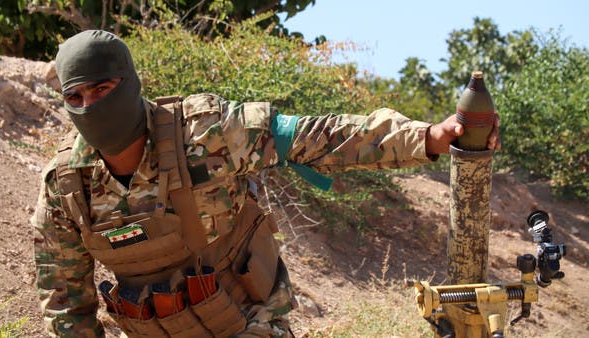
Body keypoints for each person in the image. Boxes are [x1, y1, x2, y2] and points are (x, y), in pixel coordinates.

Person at [31, 30, 500, 338]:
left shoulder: (205, 133)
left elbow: (316, 137)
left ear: (131, 84)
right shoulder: (67, 187)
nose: (89, 104)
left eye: (102, 89)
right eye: (75, 96)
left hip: (249, 327)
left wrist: (429, 139)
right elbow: (67, 305)